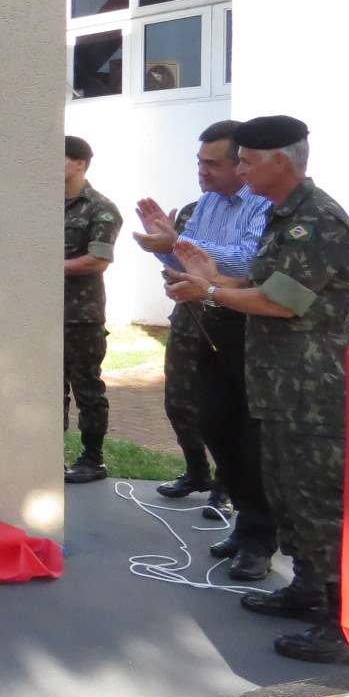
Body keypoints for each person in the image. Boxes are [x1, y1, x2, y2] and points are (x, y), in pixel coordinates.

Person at [165, 115, 349, 666]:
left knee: (317, 501)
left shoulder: (317, 221)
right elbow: (255, 283)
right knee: (288, 493)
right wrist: (210, 274)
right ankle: (308, 590)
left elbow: (281, 301)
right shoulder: (282, 215)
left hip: (310, 389)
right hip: (278, 383)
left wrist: (211, 293)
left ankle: (337, 624)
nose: (240, 170)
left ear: (281, 162)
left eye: (246, 161)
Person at [133, 120, 273, 579]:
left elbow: (248, 263)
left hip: (255, 327)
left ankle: (259, 538)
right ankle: (243, 521)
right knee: (214, 422)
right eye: (199, 162)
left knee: (253, 436)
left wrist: (180, 243)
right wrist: (165, 246)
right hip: (211, 321)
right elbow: (193, 264)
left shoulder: (263, 203)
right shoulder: (209, 203)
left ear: (242, 165)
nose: (202, 172)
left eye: (212, 163)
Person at [62, 136, 123, 484]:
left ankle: (92, 458)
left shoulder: (101, 208)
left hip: (81, 316)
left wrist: (49, 265)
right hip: (44, 315)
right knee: (49, 390)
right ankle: (48, 454)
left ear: (80, 163)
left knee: (87, 389)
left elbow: (98, 260)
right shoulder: (43, 203)